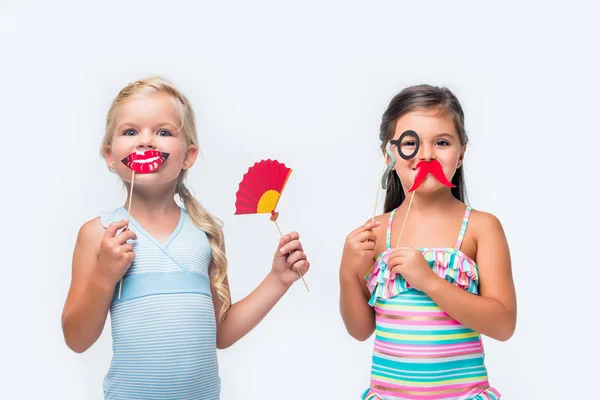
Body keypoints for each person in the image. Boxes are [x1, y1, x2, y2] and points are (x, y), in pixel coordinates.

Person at [61, 76, 310, 399]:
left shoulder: (205, 232)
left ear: (188, 155)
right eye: (130, 131)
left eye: (163, 132)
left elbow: (221, 333)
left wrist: (278, 280)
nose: (146, 141)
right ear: (110, 155)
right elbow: (76, 339)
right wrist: (104, 276)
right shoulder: (97, 234)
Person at [339, 84, 516, 399]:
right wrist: (347, 274)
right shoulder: (375, 232)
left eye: (442, 142)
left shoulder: (480, 228)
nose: (426, 154)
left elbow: (502, 326)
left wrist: (429, 281)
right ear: (390, 155)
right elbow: (360, 330)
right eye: (410, 142)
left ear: (461, 154)